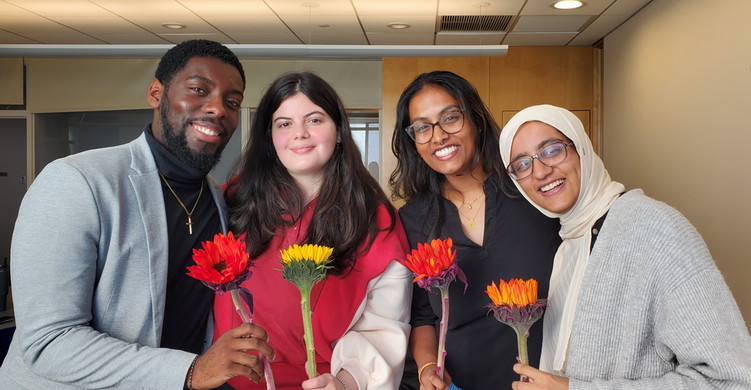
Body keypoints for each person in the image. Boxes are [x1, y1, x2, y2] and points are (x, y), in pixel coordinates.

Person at [0, 39, 274, 389]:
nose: (218, 109)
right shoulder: (77, 181)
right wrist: (191, 371)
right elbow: (49, 341)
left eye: (232, 102)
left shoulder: (218, 201)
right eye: (198, 89)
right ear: (156, 93)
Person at [499, 104, 751, 389]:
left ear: (581, 148)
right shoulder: (567, 247)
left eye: (552, 150)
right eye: (522, 164)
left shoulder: (654, 228)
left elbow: (730, 379)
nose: (541, 171)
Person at [215, 71, 412, 390]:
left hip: (325, 381)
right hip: (232, 380)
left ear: (338, 131)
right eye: (284, 123)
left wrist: (345, 383)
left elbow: (384, 325)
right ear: (270, 136)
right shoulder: (234, 200)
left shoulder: (373, 218)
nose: (300, 134)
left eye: (315, 120)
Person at [389, 70, 561, 390]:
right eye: (423, 128)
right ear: (413, 142)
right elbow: (423, 315)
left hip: (549, 380)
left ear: (476, 119)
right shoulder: (412, 219)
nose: (438, 136)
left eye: (451, 117)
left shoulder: (530, 191)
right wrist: (428, 368)